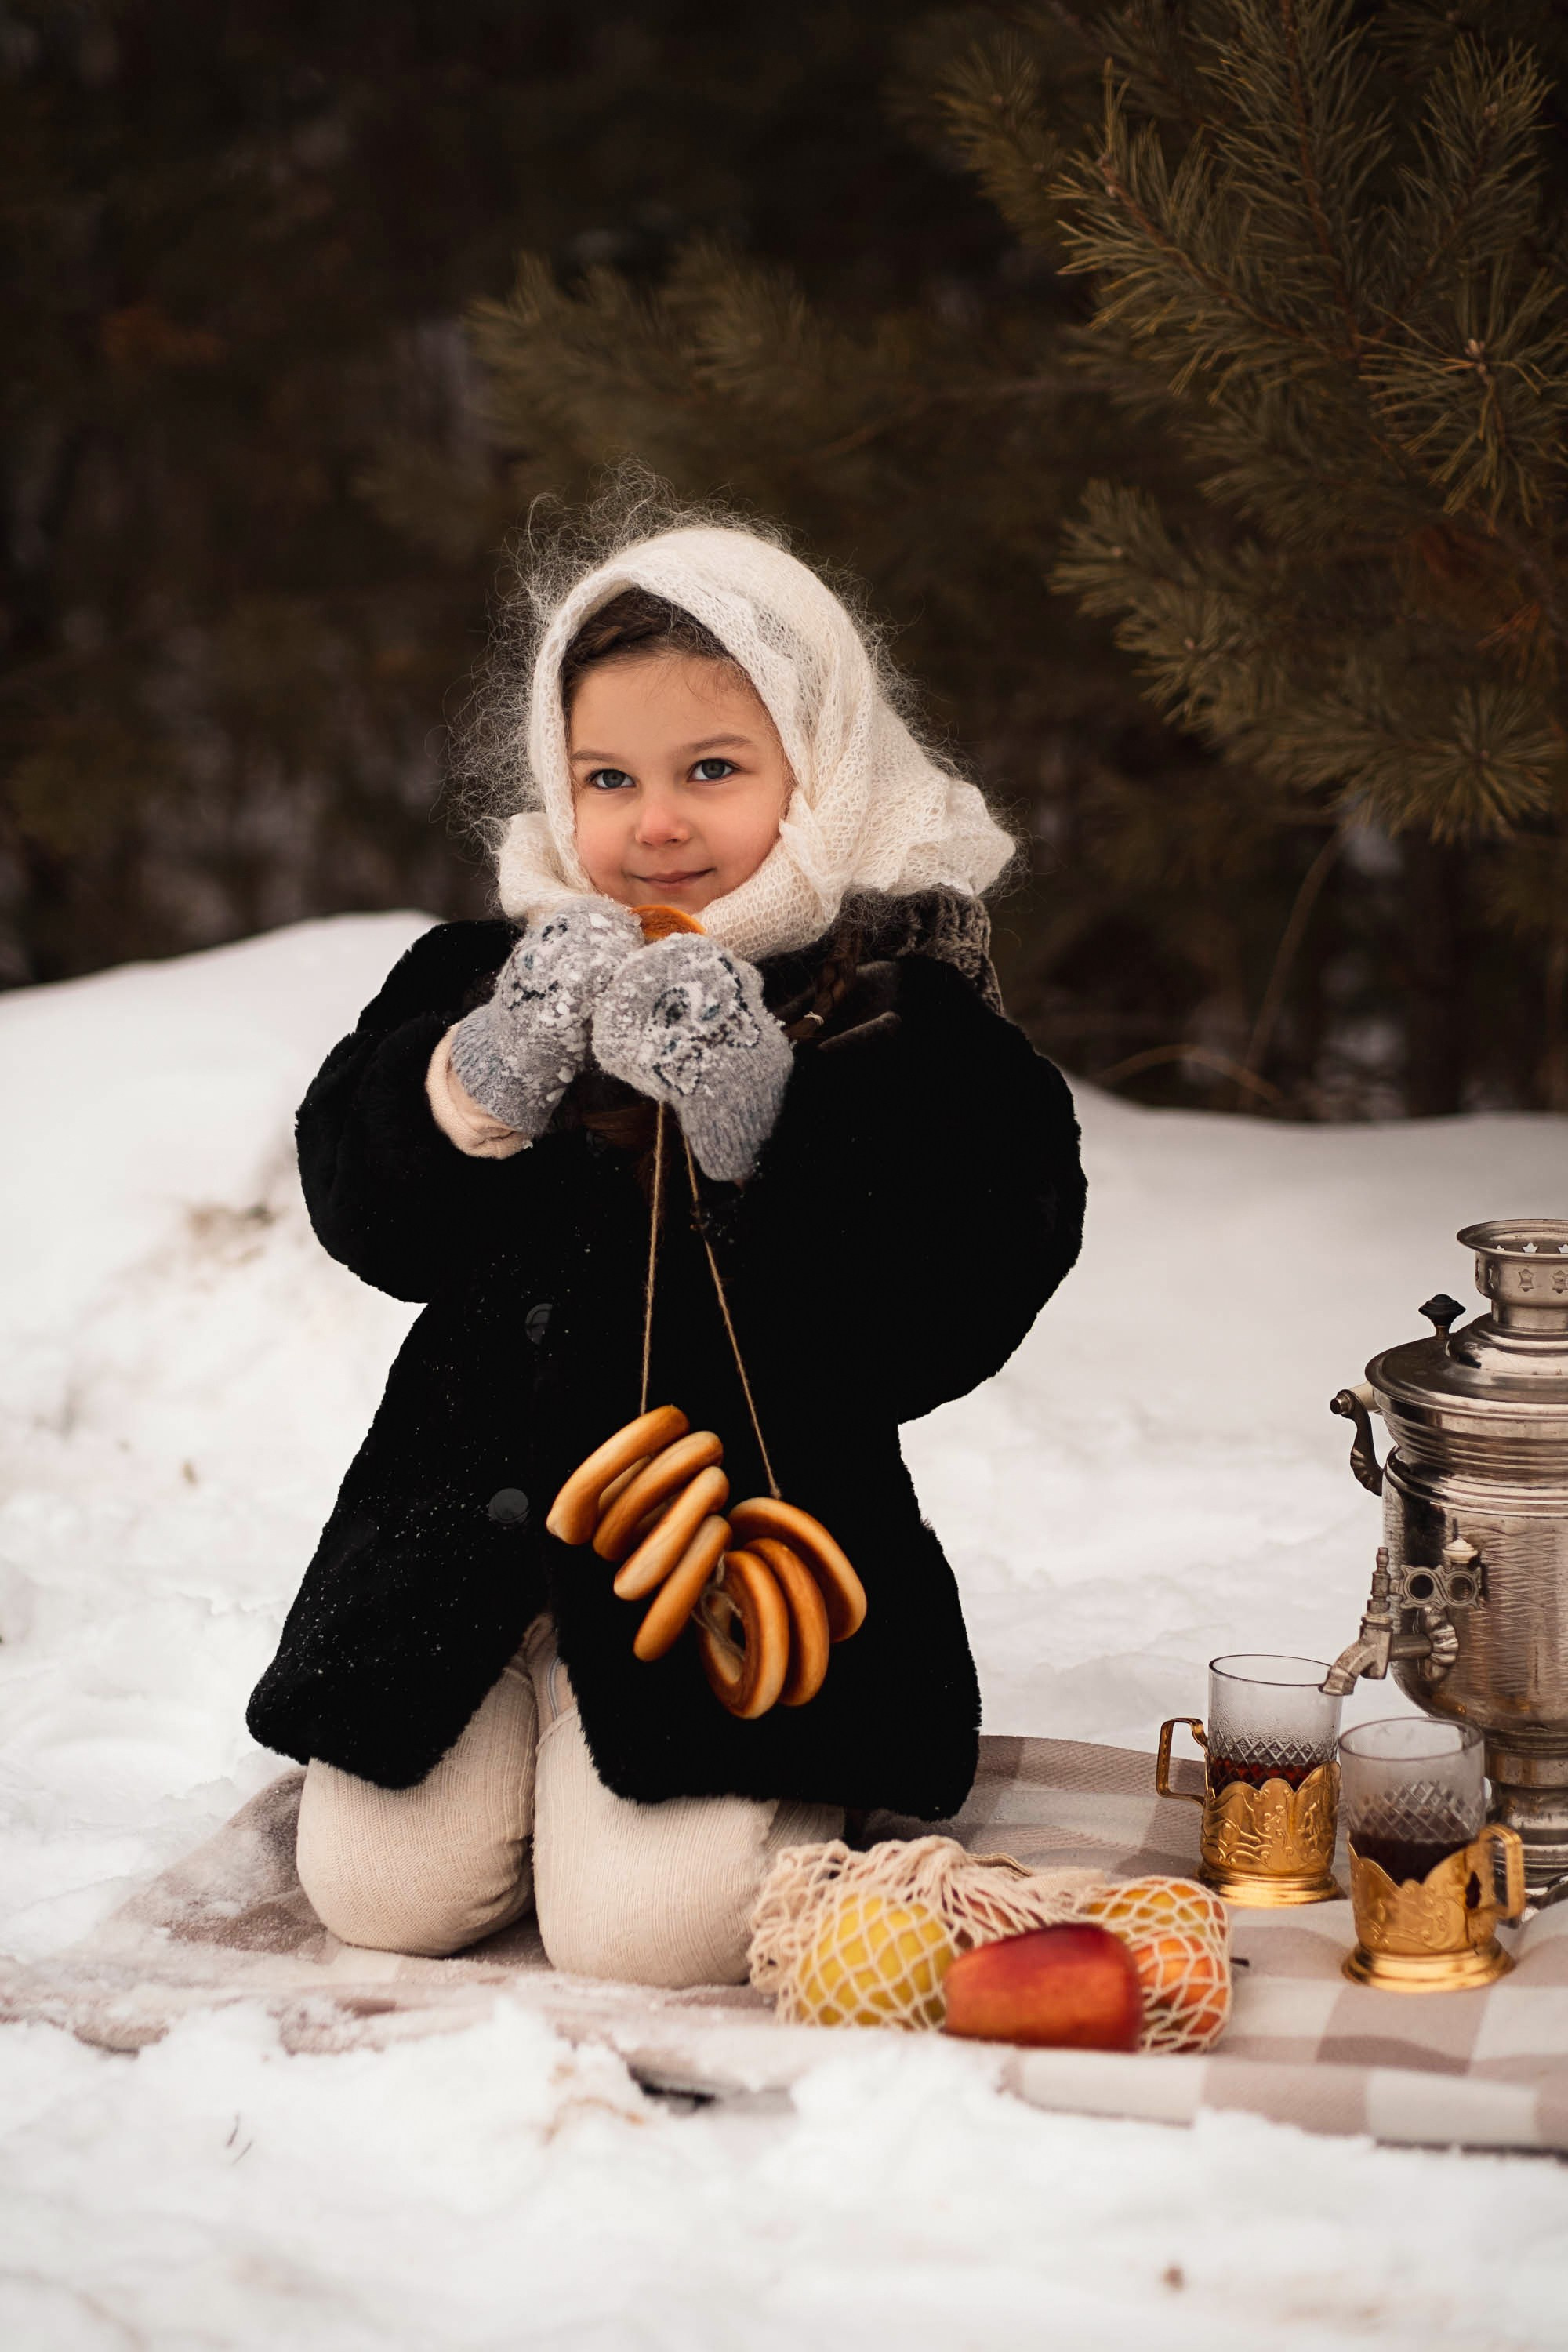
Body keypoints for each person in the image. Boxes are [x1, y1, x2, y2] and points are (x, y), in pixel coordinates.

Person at [247, 514, 1086, 1985]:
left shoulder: (894, 1006)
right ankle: (521, 1699)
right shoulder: (494, 971)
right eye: (608, 779)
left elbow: (952, 1311)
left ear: (816, 772)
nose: (656, 825)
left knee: (651, 1939)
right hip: (466, 1556)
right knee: (378, 1896)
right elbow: (362, 1210)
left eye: (713, 770)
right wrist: (479, 1081)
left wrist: (762, 1121)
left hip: (744, 1566)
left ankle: (676, 1757)